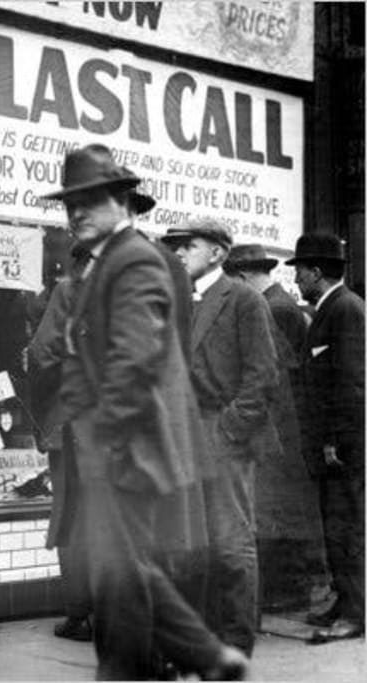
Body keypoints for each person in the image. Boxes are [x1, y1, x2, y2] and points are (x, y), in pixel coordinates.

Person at [47, 144, 248, 680]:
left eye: (89, 201)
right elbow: (80, 352)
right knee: (122, 568)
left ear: (121, 202)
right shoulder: (102, 265)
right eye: (69, 204)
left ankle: (183, 661)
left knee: (122, 570)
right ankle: (206, 658)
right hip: (123, 444)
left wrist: (104, 436)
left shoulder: (133, 260)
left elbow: (134, 359)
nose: (76, 213)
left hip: (132, 446)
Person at [162, 220, 280, 658]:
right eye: (174, 246)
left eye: (188, 246)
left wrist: (230, 427)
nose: (178, 254)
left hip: (224, 435)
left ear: (217, 253)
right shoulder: (177, 301)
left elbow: (263, 376)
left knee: (231, 545)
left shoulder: (243, 300)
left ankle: (236, 642)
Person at [223, 243, 327, 613]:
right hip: (286, 424)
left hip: (282, 426)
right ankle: (291, 588)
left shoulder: (272, 309)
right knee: (282, 508)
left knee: (281, 510)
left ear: (242, 277)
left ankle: (291, 590)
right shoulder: (279, 305)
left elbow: (273, 376)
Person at [286, 233, 365, 644]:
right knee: (335, 524)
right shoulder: (333, 308)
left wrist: (336, 439)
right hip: (332, 444)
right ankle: (345, 599)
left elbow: (352, 382)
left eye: (300, 272)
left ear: (316, 272)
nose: (296, 280)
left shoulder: (345, 309)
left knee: (346, 526)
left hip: (344, 445)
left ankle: (355, 613)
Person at [26, 243, 92, 643]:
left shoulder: (71, 292)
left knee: (72, 518)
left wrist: (42, 414)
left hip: (74, 425)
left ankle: (81, 614)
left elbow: (41, 354)